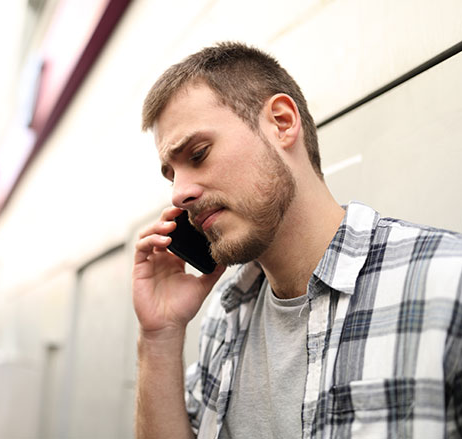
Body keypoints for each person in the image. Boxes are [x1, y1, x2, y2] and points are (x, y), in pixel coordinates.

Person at [132, 41, 462, 439]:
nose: (179, 193)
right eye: (172, 175)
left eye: (198, 154)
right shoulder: (226, 317)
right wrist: (160, 337)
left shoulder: (446, 285)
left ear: (283, 123)